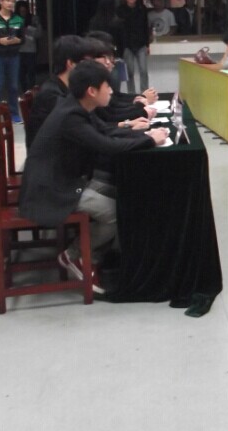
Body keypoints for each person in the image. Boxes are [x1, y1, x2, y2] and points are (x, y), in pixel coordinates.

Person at [18, 60, 167, 293]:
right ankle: (74, 255)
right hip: (53, 190)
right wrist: (149, 140)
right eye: (107, 86)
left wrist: (139, 132)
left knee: (124, 195)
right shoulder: (71, 116)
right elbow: (105, 145)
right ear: (92, 91)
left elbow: (105, 131)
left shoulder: (76, 106)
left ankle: (96, 256)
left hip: (68, 180)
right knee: (114, 212)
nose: (111, 91)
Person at [26, 35, 95, 148]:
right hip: (52, 155)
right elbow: (81, 127)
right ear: (70, 64)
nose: (90, 67)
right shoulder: (51, 94)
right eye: (85, 62)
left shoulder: (68, 87)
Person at [117, 0, 150, 94]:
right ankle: (131, 94)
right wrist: (120, 47)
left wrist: (147, 44)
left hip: (141, 44)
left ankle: (145, 93)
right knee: (129, 72)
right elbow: (119, 30)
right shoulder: (120, 10)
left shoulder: (142, 9)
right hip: (127, 44)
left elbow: (145, 27)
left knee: (143, 70)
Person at [14, 0, 40, 92]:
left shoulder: (33, 19)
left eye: (24, 11)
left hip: (31, 49)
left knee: (31, 72)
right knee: (21, 73)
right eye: (21, 11)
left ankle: (31, 91)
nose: (23, 14)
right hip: (18, 50)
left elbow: (39, 33)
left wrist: (29, 28)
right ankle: (24, 91)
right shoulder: (14, 20)